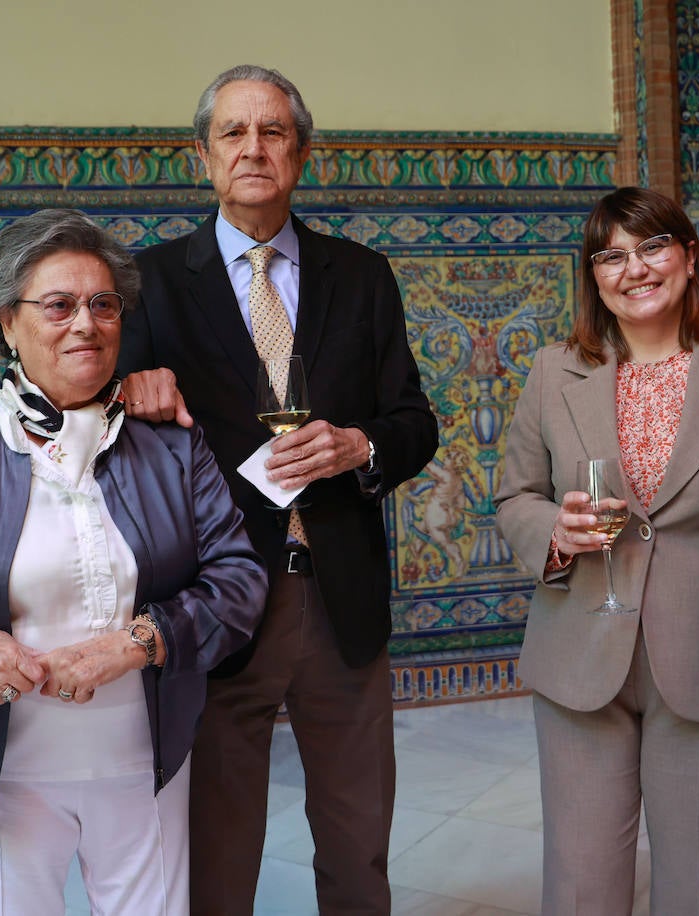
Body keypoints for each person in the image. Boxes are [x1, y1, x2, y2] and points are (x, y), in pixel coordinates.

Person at [0, 209, 267, 914]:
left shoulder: (169, 448)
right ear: (9, 323)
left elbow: (239, 580)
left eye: (103, 305)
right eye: (59, 305)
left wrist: (142, 640)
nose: (86, 323)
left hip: (145, 765)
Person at [117, 65, 438, 913]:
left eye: (273, 133)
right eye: (234, 133)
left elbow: (415, 420)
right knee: (218, 854)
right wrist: (126, 391)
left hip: (339, 595)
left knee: (358, 843)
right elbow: (79, 408)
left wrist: (360, 442)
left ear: (301, 153)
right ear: (203, 156)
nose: (254, 149)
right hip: (217, 598)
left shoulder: (362, 277)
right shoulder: (144, 285)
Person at [494, 186, 699, 914]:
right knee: (581, 886)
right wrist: (553, 533)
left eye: (651, 247)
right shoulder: (554, 372)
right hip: (579, 649)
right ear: (592, 275)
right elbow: (516, 496)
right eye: (610, 255)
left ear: (689, 255)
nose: (633, 268)